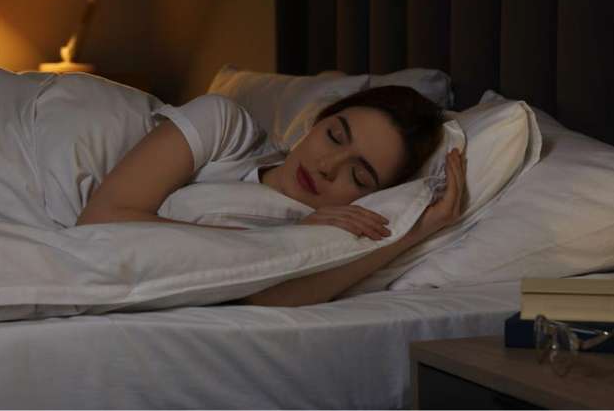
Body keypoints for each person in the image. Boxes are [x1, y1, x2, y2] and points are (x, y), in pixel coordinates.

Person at [77, 85, 467, 306]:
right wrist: (273, 241)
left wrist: (417, 231)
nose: (327, 166)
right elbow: (99, 219)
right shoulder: (224, 129)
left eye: (358, 176)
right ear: (317, 122)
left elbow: (266, 300)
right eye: (334, 136)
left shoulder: (317, 238)